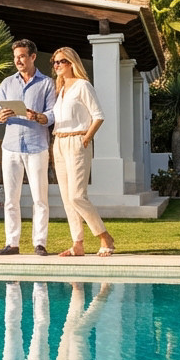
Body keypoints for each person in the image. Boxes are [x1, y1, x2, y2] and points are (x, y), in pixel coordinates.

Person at [49, 46, 116, 257]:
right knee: (67, 198)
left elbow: (98, 115)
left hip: (78, 141)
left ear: (71, 63)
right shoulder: (59, 90)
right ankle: (77, 243)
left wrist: (87, 137)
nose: (57, 65)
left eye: (61, 61)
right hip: (58, 142)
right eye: (55, 62)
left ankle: (105, 236)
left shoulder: (82, 86)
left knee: (77, 196)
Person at [0, 39, 56, 256]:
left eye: (21, 56)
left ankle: (40, 243)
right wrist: (1, 116)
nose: (18, 60)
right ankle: (12, 243)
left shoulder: (47, 83)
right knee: (11, 198)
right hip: (10, 147)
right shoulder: (7, 83)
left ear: (33, 57)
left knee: (40, 198)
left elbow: (52, 114)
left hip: (37, 146)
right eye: (15, 57)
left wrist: (37, 117)